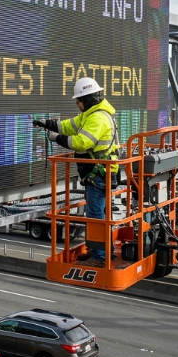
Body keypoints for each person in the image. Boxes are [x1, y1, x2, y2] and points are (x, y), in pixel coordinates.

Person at [33, 77, 119, 263]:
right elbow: (68, 126)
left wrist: (56, 138)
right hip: (97, 174)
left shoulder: (98, 118)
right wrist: (46, 124)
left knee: (96, 216)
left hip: (99, 174)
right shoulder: (90, 115)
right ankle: (101, 252)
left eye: (79, 100)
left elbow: (81, 141)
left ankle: (100, 256)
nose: (77, 104)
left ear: (88, 99)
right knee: (98, 215)